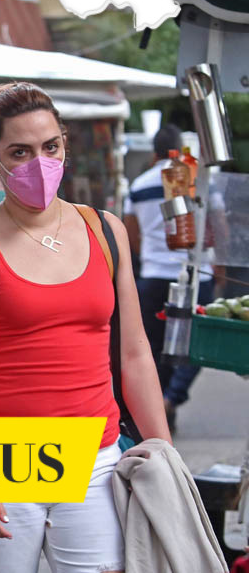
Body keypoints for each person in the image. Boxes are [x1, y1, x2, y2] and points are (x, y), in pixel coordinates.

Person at [0, 81, 171, 573]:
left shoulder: (105, 229)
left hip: (95, 459)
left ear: (64, 144)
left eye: (50, 147)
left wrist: (164, 454)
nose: (39, 163)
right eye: (19, 152)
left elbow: (135, 354)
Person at [122, 123, 215, 431]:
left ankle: (159, 405)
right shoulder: (196, 180)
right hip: (195, 276)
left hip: (153, 276)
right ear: (179, 149)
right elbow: (217, 226)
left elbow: (131, 233)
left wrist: (151, 256)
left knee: (154, 346)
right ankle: (169, 400)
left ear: (154, 153)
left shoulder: (139, 185)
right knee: (197, 343)